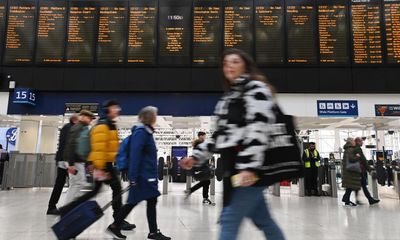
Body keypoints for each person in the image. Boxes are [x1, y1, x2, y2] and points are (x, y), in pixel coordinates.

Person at [181, 48, 285, 240]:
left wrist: (249, 167)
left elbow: (259, 129)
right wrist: (196, 157)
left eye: (235, 61)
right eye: (226, 62)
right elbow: (219, 136)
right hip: (236, 168)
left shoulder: (256, 90)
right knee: (264, 220)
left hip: (249, 170)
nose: (229, 65)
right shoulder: (227, 99)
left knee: (229, 219)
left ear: (245, 65)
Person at [59, 100, 135, 231]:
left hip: (106, 164)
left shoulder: (109, 124)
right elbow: (99, 149)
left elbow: (110, 147)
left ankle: (66, 209)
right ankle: (118, 220)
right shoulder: (102, 125)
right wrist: (99, 168)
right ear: (107, 110)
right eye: (114, 108)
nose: (117, 110)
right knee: (115, 188)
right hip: (103, 165)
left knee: (97, 191)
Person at [107, 106, 171, 240]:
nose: (156, 118)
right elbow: (135, 155)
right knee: (134, 202)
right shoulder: (141, 132)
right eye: (155, 115)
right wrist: (133, 177)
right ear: (150, 117)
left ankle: (151, 231)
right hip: (142, 177)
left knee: (146, 201)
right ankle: (116, 226)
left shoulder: (145, 131)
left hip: (146, 176)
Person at [47, 115, 79, 215]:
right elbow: (67, 145)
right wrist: (68, 163)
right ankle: (52, 207)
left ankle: (55, 206)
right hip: (64, 160)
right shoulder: (69, 128)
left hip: (64, 160)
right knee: (62, 183)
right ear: (74, 120)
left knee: (64, 183)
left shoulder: (68, 127)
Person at [63, 110, 95, 204]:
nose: (90, 121)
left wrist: (88, 163)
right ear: (82, 117)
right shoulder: (78, 128)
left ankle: (69, 206)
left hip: (75, 161)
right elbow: (71, 145)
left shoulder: (82, 128)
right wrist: (71, 164)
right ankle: (67, 208)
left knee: (75, 184)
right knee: (79, 183)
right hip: (75, 161)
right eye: (89, 118)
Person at [184, 132, 213, 205]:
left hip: (203, 166)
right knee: (206, 181)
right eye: (203, 136)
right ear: (200, 136)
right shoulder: (199, 145)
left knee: (206, 182)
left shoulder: (200, 144)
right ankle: (195, 193)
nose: (204, 137)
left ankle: (192, 192)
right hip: (201, 167)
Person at [354, 137, 380, 205]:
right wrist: (369, 169)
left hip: (357, 170)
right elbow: (363, 160)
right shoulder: (358, 149)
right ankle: (370, 200)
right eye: (361, 141)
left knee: (359, 185)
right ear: (357, 142)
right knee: (363, 185)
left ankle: (359, 199)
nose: (362, 143)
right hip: (361, 170)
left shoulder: (355, 148)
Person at [341, 138, 361, 206]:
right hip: (350, 171)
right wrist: (358, 156)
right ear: (351, 142)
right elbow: (352, 159)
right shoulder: (350, 149)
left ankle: (346, 199)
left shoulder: (347, 149)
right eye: (353, 141)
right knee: (350, 186)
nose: (354, 142)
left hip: (348, 171)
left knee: (349, 187)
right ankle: (346, 199)